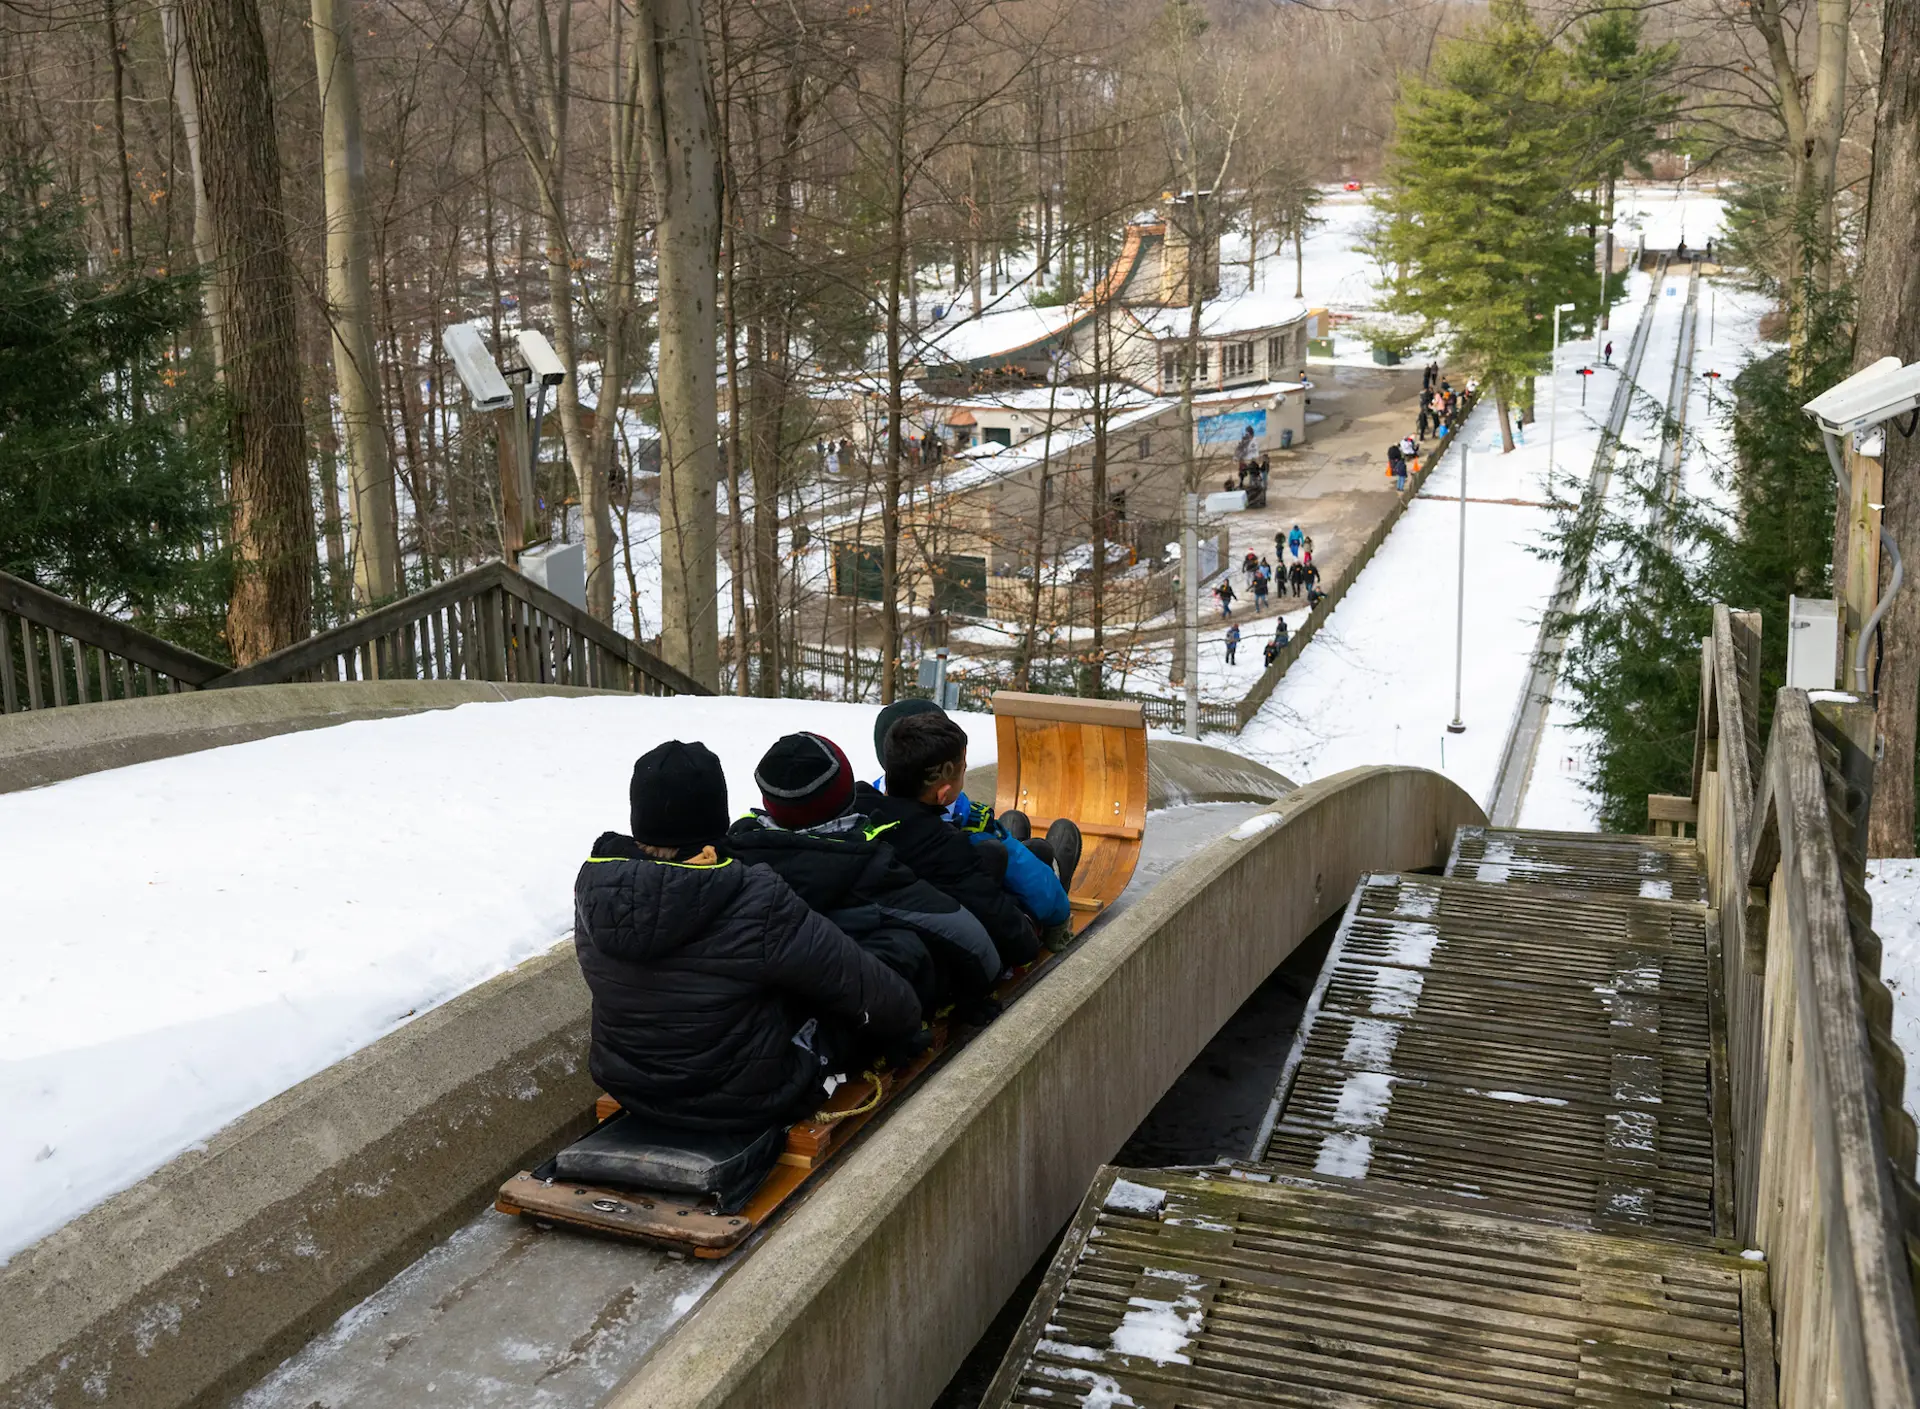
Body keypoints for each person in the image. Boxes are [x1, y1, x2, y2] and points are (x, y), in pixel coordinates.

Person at [572, 740, 922, 1137]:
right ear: (716, 818)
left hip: (630, 1085)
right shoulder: (753, 896)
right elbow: (876, 995)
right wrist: (906, 1025)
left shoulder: (596, 885)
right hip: (747, 1099)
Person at [726, 732, 1003, 1014]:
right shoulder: (867, 867)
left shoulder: (735, 851)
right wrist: (989, 980)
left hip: (763, 1007)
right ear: (847, 795)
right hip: (859, 1011)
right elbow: (964, 932)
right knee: (908, 946)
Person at [870, 701, 1073, 943]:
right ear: (943, 793)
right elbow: (1027, 879)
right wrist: (1059, 916)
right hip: (986, 921)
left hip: (911, 919)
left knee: (1013, 834)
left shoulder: (866, 810)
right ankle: (1055, 873)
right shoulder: (966, 831)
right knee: (1034, 851)